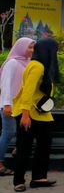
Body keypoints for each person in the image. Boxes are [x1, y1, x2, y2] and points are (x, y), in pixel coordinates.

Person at [11, 37, 59, 192]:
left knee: (44, 146)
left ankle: (39, 177)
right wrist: (25, 115)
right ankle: (18, 181)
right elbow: (28, 91)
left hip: (42, 113)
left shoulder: (44, 66)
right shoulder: (37, 66)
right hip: (28, 112)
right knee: (24, 147)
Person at [0, 38, 35, 177]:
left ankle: (17, 150)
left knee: (20, 133)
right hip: (9, 105)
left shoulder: (28, 63)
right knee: (8, 133)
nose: (31, 50)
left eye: (33, 48)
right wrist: (7, 104)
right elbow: (5, 84)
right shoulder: (12, 63)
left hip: (22, 106)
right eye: (29, 47)